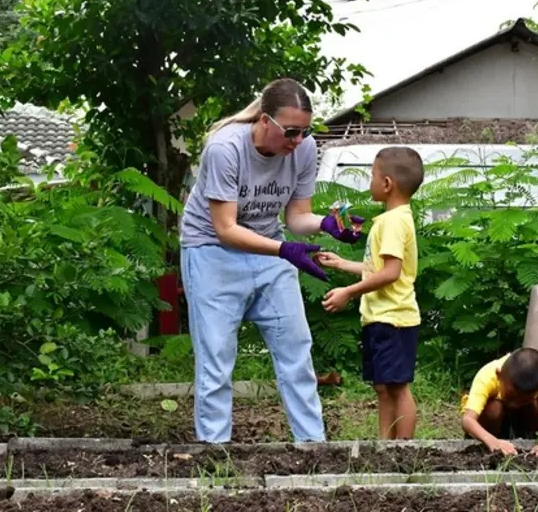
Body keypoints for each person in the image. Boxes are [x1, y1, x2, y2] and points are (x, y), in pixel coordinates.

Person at [179, 77, 364, 443]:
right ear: (265, 121)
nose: (297, 141)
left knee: (296, 349)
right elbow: (226, 229)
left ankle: (313, 445)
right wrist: (284, 250)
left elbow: (297, 217)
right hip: (212, 252)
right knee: (217, 357)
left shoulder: (304, 149)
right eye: (290, 132)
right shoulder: (225, 149)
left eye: (304, 132)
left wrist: (326, 225)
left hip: (269, 248)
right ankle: (215, 451)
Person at [317, 146, 424, 440]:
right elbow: (377, 268)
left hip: (394, 318)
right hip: (381, 317)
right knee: (383, 386)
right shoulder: (392, 219)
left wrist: (349, 292)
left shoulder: (392, 222)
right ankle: (384, 445)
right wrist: (342, 263)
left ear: (387, 183)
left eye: (373, 176)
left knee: (397, 386)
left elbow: (390, 273)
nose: (370, 182)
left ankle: (403, 448)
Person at [461, 347, 538, 455]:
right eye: (510, 396)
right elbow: (468, 420)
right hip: (490, 426)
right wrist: (493, 441)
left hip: (519, 421)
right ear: (499, 375)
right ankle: (492, 439)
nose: (514, 405)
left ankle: (526, 436)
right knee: (495, 408)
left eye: (525, 400)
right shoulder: (487, 376)